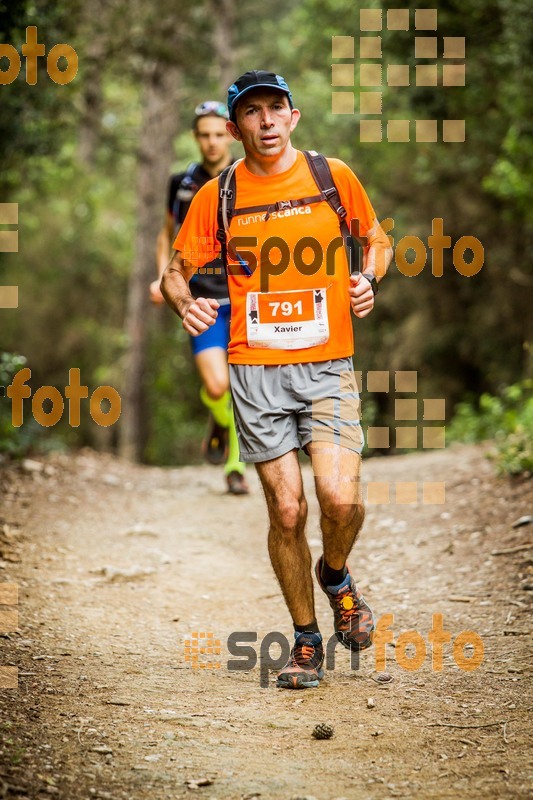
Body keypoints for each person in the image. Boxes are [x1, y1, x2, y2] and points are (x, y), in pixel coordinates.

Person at [161, 71, 393, 689]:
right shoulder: (220, 194)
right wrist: (185, 300)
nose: (265, 121)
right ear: (237, 127)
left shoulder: (331, 176)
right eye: (252, 112)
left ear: (294, 116)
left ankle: (337, 574)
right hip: (254, 367)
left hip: (327, 364)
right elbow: (177, 269)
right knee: (287, 510)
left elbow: (377, 240)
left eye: (275, 109)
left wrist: (369, 277)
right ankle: (307, 640)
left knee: (340, 499)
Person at [150, 100, 249, 495]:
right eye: (204, 135)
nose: (212, 142)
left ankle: (236, 467)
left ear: (231, 133)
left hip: (244, 300)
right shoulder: (181, 183)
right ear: (196, 138)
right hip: (201, 302)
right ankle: (222, 423)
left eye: (218, 134)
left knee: (241, 387)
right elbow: (166, 235)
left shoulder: (246, 176)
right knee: (216, 387)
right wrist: (163, 279)